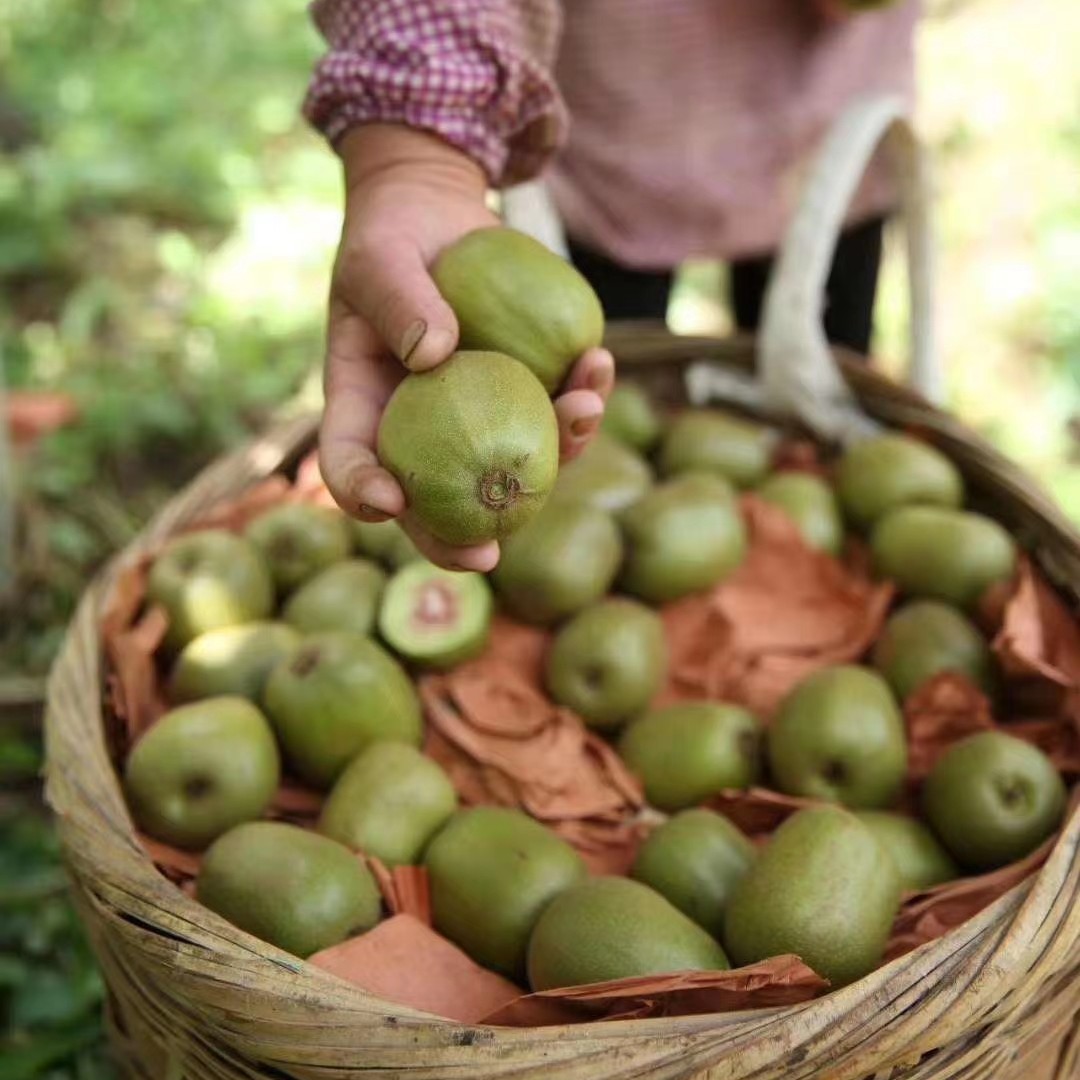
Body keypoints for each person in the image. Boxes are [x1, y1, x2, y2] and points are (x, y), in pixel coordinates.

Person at [303, 0, 919, 571]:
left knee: (826, 397)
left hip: (832, 128)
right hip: (616, 139)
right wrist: (416, 161)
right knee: (598, 380)